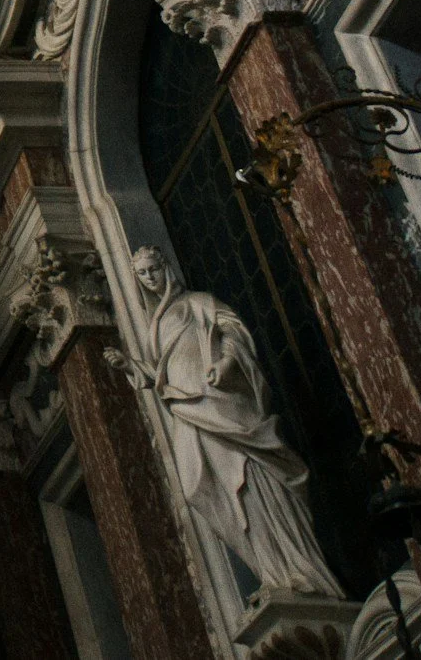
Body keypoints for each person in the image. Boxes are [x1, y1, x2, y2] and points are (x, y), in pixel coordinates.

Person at [111, 246, 342, 598]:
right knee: (197, 487)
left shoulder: (199, 302)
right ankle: (268, 570)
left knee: (250, 476)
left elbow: (234, 332)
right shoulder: (155, 324)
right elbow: (161, 373)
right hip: (186, 409)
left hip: (219, 402)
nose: (149, 278)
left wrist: (226, 363)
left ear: (166, 267)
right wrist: (130, 366)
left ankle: (294, 569)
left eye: (153, 269)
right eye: (142, 274)